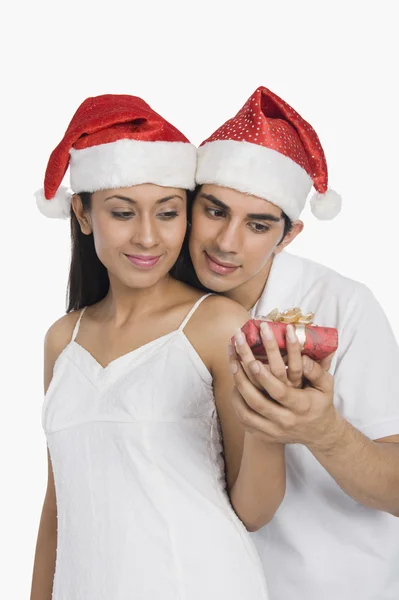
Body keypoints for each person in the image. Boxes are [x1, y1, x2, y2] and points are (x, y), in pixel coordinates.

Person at [30, 93, 289, 600]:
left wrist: (272, 409)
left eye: (167, 213)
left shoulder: (217, 325)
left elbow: (255, 511)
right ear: (83, 215)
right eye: (123, 213)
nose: (148, 237)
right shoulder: (64, 340)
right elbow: (58, 508)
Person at [189, 85, 399, 600]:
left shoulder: (341, 305)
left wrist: (323, 431)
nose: (226, 242)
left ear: (289, 235)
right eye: (214, 211)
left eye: (258, 225)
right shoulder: (160, 304)